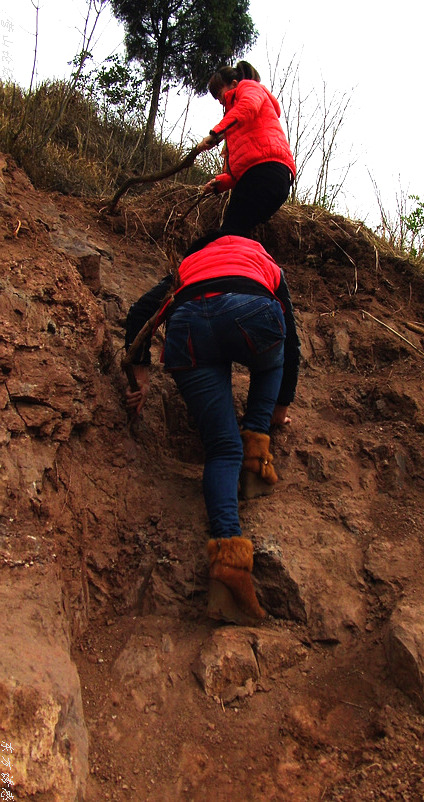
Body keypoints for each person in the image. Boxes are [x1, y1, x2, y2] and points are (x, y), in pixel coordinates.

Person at [125, 231, 300, 626]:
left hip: (188, 325)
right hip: (251, 310)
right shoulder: (260, 255)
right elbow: (292, 341)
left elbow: (140, 315)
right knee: (271, 357)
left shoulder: (189, 265)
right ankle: (257, 454)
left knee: (221, 449)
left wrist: (141, 376)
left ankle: (229, 564)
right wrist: (279, 407)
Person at [196, 61, 296, 235]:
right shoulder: (242, 128)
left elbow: (248, 106)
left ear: (233, 84)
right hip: (269, 177)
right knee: (237, 231)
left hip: (266, 172)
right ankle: (253, 261)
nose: (220, 102)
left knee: (229, 233)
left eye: (220, 94)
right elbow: (243, 169)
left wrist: (214, 134)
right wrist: (218, 184)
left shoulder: (248, 87)